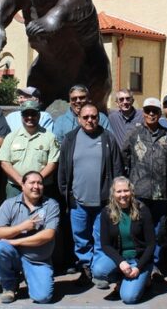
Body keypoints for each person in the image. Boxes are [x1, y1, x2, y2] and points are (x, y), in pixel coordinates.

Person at [58, 102, 123, 282]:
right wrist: (67, 195)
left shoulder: (108, 138)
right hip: (78, 201)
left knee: (101, 238)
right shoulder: (70, 139)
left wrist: (114, 198)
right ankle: (85, 268)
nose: (90, 120)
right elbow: (63, 170)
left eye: (93, 116)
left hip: (103, 202)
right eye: (85, 117)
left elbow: (118, 169)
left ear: (98, 117)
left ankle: (99, 271)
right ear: (79, 119)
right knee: (81, 238)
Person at [121, 97, 167, 278]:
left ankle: (153, 266)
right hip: (138, 193)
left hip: (161, 193)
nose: (151, 114)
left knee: (157, 231)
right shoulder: (134, 133)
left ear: (160, 113)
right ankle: (138, 263)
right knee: (138, 230)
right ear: (143, 113)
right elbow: (124, 159)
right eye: (148, 111)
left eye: (155, 111)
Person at [0, 171, 60, 304]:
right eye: (32, 183)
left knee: (43, 297)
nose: (36, 186)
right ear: (22, 185)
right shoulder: (9, 204)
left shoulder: (51, 205)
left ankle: (32, 278)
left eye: (39, 183)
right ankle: (9, 286)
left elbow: (48, 235)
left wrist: (16, 241)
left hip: (37, 260)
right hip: (14, 256)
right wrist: (22, 227)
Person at [91, 177, 155, 304]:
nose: (123, 195)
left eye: (126, 191)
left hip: (139, 260)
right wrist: (121, 262)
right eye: (118, 191)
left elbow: (151, 245)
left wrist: (138, 267)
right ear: (113, 194)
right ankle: (121, 280)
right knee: (98, 270)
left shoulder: (142, 209)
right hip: (120, 260)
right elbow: (105, 244)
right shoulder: (106, 212)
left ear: (131, 191)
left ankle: (145, 278)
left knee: (128, 298)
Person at [0, 100, 60, 199]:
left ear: (39, 115)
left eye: (33, 114)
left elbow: (53, 163)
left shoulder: (50, 137)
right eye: (26, 114)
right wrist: (21, 181)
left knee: (40, 214)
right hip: (15, 188)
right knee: (14, 214)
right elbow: (4, 162)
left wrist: (35, 181)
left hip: (40, 187)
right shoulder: (11, 137)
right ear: (21, 116)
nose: (30, 117)